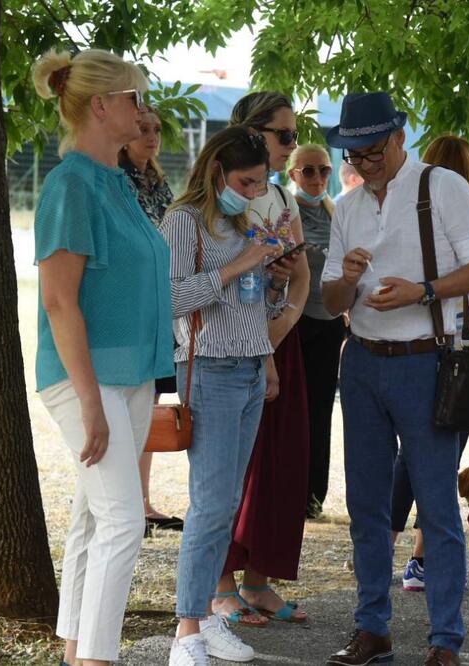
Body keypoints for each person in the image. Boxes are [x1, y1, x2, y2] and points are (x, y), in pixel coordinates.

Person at [321, 92, 469, 666]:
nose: (362, 165)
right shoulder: (345, 206)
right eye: (353, 155)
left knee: (438, 508)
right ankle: (373, 628)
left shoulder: (440, 186)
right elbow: (330, 299)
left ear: (399, 137)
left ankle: (445, 640)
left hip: (427, 360)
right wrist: (345, 280)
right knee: (367, 506)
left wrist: (421, 291)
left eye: (371, 152)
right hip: (363, 361)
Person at [32, 48, 173, 666]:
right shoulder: (70, 185)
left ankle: (74, 650)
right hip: (87, 378)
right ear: (100, 105)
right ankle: (97, 658)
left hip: (133, 374)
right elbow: (60, 303)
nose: (142, 111)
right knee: (123, 524)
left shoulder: (118, 180)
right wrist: (89, 399)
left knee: (95, 521)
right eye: (133, 98)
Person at [161, 126, 286, 664]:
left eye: (261, 182)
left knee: (227, 503)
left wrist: (278, 276)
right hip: (207, 368)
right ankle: (186, 631)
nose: (255, 191)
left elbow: (255, 304)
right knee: (211, 505)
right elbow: (168, 298)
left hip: (250, 368)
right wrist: (237, 266)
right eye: (246, 181)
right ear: (217, 171)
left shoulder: (242, 221)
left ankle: (207, 616)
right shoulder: (182, 221)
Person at [389, 135, 469, 593]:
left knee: (407, 454)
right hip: (463, 354)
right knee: (445, 456)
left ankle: (384, 544)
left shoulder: (403, 220)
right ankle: (421, 560)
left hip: (414, 344)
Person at [214, 91, 312, 626]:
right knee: (232, 464)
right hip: (233, 341)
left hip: (281, 335)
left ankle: (258, 581)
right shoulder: (224, 198)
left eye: (294, 136)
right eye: (285, 136)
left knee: (281, 459)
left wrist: (285, 321)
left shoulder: (282, 196)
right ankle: (220, 583)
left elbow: (298, 271)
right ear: (253, 135)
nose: (292, 146)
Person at [118, 104, 183, 535]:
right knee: (123, 406)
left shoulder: (158, 182)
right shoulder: (115, 181)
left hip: (159, 305)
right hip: (126, 306)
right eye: (143, 128)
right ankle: (123, 503)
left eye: (157, 129)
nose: (152, 136)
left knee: (149, 404)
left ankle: (141, 502)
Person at [286, 143, 346, 519]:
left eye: (323, 170)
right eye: (308, 170)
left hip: (330, 322)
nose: (317, 178)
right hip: (297, 320)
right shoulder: (285, 210)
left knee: (321, 410)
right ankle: (291, 489)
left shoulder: (335, 212)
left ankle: (313, 494)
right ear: (293, 174)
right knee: (296, 410)